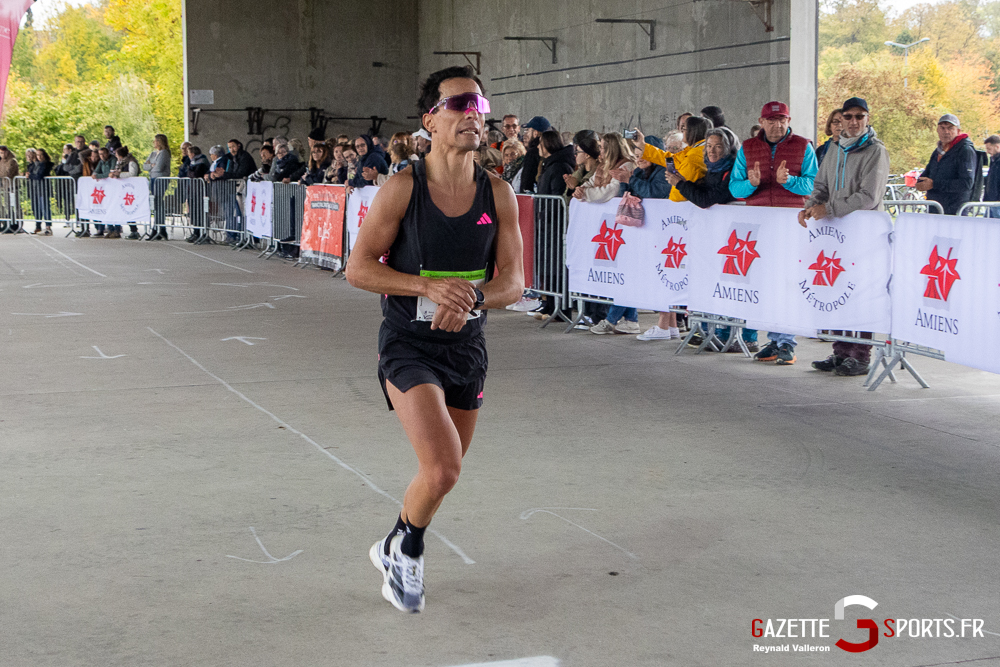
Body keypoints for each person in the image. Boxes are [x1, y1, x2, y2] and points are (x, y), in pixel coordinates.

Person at [345, 65, 523, 614]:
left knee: (440, 475)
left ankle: (395, 539)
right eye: (459, 105)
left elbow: (512, 283)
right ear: (431, 120)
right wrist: (426, 286)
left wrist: (468, 299)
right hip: (408, 345)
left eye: (480, 107)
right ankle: (410, 551)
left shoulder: (498, 193)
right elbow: (357, 268)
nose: (473, 115)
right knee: (445, 466)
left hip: (467, 348)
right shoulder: (403, 186)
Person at [800, 96, 891, 378]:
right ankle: (841, 351)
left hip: (863, 232)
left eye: (859, 117)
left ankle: (861, 355)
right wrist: (810, 206)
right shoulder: (834, 149)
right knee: (838, 288)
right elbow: (821, 184)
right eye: (848, 117)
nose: (853, 122)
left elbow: (868, 196)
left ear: (867, 119)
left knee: (861, 290)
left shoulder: (875, 151)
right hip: (836, 231)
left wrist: (828, 208)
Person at [729, 100, 818, 365]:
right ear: (762, 122)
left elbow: (812, 185)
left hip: (791, 223)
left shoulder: (804, 146)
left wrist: (789, 181)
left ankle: (787, 343)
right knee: (764, 282)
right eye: (772, 120)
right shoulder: (747, 147)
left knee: (788, 282)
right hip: (758, 224)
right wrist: (750, 184)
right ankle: (773, 339)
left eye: (782, 120)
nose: (777, 125)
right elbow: (735, 188)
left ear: (789, 121)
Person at [635, 117, 710, 203]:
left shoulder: (693, 157)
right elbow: (670, 159)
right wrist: (642, 145)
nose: (682, 133)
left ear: (692, 132)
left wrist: (672, 206)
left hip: (683, 208)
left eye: (684, 129)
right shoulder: (693, 150)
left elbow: (680, 196)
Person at [916, 114, 977, 215]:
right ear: (937, 130)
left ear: (958, 131)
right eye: (942, 128)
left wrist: (934, 184)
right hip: (936, 208)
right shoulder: (938, 151)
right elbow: (927, 174)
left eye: (950, 128)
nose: (946, 132)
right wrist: (920, 183)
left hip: (955, 211)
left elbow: (967, 183)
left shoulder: (965, 150)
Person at [573, 132, 635, 203]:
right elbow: (591, 182)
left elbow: (612, 191)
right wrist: (580, 190)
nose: (600, 151)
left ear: (609, 150)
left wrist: (585, 193)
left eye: (601, 147)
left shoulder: (626, 165)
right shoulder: (602, 165)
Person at [144, 134, 172, 240]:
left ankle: (160, 227)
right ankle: (157, 227)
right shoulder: (153, 153)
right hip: (153, 179)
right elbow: (145, 166)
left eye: (155, 141)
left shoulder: (164, 153)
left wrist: (151, 165)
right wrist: (151, 165)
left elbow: (159, 168)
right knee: (155, 204)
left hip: (160, 180)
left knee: (158, 203)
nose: (154, 143)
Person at [113, 146, 142, 239]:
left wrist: (120, 174)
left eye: (117, 155)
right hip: (123, 189)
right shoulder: (120, 163)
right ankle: (131, 229)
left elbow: (132, 174)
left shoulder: (131, 162)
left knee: (129, 209)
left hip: (130, 190)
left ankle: (134, 230)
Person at [518, 116, 550, 194]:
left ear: (535, 133)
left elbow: (526, 180)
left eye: (527, 131)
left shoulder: (532, 153)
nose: (524, 135)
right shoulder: (551, 150)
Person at [28, 148, 53, 234]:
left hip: (43, 189)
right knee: (36, 208)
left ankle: (48, 227)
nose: (39, 157)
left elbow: (40, 175)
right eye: (37, 155)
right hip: (35, 189)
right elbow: (31, 172)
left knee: (45, 207)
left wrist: (30, 176)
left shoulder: (46, 164)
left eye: (41, 155)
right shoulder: (35, 164)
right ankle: (38, 226)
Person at [984, 135, 1000, 218]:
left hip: (996, 201)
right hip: (992, 200)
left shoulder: (995, 161)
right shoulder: (994, 161)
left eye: (989, 149)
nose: (987, 151)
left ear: (997, 147)